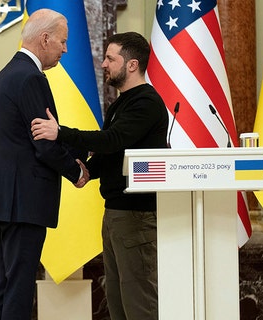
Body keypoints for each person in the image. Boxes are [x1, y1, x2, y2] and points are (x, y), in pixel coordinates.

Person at [30, 32, 168, 320]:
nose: (103, 64)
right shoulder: (124, 101)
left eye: (110, 58)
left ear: (131, 65)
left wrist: (60, 133)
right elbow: (113, 155)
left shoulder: (147, 102)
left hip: (136, 215)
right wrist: (85, 172)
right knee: (118, 299)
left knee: (138, 301)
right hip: (118, 213)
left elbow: (113, 140)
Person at [0, 8, 89, 320]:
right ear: (45, 39)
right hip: (23, 202)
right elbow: (43, 145)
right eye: (63, 42)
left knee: (6, 284)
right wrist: (76, 170)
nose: (65, 49)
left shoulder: (7, 74)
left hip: (7, 200)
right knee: (19, 287)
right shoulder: (30, 79)